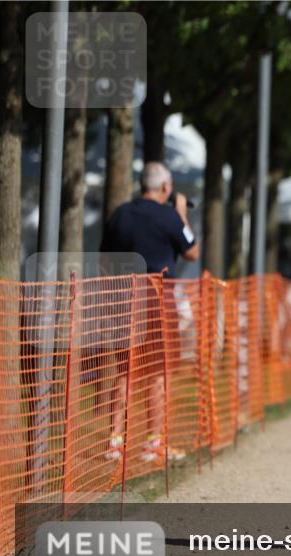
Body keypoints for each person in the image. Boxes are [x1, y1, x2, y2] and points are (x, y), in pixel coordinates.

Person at [99, 161, 199, 463]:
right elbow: (192, 250)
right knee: (156, 371)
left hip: (123, 299)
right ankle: (153, 441)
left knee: (125, 371)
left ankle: (114, 442)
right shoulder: (169, 215)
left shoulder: (120, 213)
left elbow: (104, 259)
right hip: (157, 301)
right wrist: (181, 211)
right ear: (166, 187)